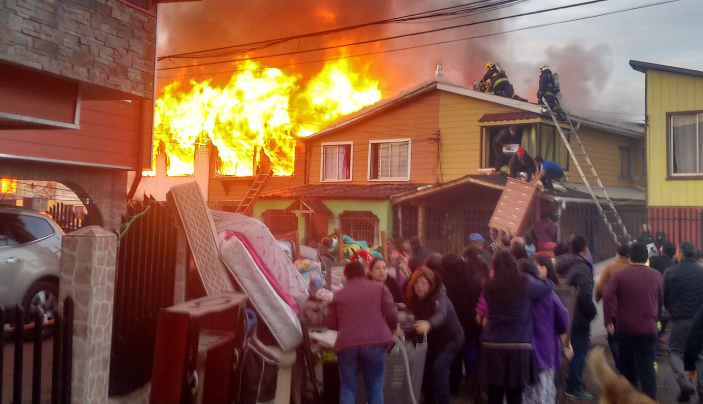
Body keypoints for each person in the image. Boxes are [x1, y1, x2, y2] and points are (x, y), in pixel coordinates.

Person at [479, 250, 555, 404]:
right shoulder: (525, 284)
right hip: (518, 347)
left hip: (492, 347)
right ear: (515, 264)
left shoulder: (488, 285)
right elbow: (548, 285)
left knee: (494, 395)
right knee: (515, 396)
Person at [324, 261, 398, 404]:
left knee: (348, 388)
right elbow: (392, 313)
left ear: (345, 276)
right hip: (375, 344)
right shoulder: (379, 288)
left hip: (347, 345)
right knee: (375, 386)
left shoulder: (339, 294)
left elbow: (330, 323)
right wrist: (393, 327)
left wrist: (346, 324)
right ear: (364, 272)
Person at [603, 242, 663, 399]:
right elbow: (661, 300)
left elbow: (607, 295)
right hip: (648, 328)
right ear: (647, 257)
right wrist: (655, 318)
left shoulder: (619, 274)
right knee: (647, 367)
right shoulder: (656, 275)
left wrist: (608, 320)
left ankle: (628, 398)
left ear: (629, 257)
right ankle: (649, 400)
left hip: (625, 327)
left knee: (627, 367)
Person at [406, 266, 464, 404]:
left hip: (452, 339)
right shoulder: (415, 299)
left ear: (431, 284)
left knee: (439, 367)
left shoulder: (439, 296)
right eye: (416, 283)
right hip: (434, 340)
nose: (419, 286)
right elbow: (417, 322)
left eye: (424, 283)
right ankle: (429, 399)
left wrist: (429, 323)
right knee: (425, 366)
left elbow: (441, 314)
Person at [518, 258, 570, 404]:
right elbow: (563, 317)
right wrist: (563, 335)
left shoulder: (513, 290)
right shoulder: (548, 292)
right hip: (545, 347)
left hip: (520, 348)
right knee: (543, 386)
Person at [555, 234, 597, 401]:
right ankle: (574, 386)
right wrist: (592, 312)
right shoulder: (582, 267)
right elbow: (586, 295)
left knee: (564, 350)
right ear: (585, 249)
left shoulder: (561, 263)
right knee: (578, 352)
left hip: (562, 314)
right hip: (579, 318)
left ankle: (561, 384)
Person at [438, 252, 483, 395]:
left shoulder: (443, 279)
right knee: (463, 352)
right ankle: (461, 383)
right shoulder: (468, 277)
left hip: (447, 321)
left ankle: (448, 387)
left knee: (446, 355)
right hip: (468, 320)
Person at [664, 241, 703, 402]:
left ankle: (684, 381)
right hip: (699, 320)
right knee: (700, 355)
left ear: (680, 253)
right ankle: (702, 388)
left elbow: (665, 297)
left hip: (679, 320)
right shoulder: (702, 272)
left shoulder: (670, 272)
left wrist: (670, 311)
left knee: (674, 351)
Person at [594, 243, 631, 371]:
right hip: (630, 313)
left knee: (613, 339)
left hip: (614, 312)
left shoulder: (610, 268)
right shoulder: (633, 268)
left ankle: (620, 364)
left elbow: (600, 287)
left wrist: (597, 297)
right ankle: (628, 366)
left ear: (618, 255)